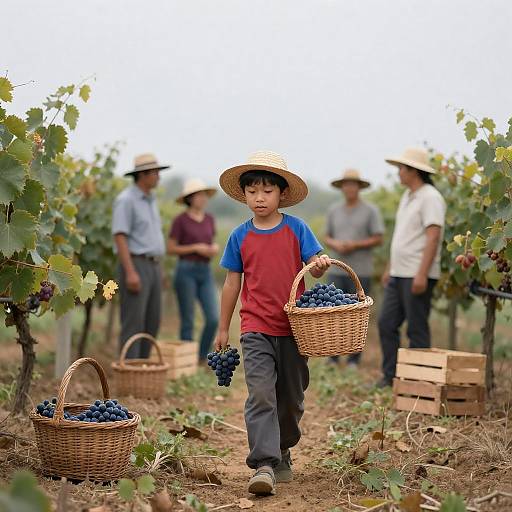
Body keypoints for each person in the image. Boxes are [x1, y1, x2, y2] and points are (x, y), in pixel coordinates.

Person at [215, 150, 331, 496]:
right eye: (252, 191)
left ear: (281, 194)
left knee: (291, 399)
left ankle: (282, 447)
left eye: (267, 191)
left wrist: (321, 263)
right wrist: (223, 327)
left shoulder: (297, 229)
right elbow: (232, 282)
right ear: (245, 195)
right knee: (261, 394)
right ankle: (264, 463)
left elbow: (316, 263)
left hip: (296, 329)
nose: (259, 198)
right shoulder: (239, 236)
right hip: (255, 329)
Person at [377, 147, 446, 387]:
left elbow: (433, 236)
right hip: (399, 273)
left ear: (414, 171)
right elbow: (401, 237)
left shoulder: (431, 197)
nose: (398, 173)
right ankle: (390, 377)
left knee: (416, 329)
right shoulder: (408, 197)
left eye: (401, 169)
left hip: (416, 274)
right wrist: (389, 267)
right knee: (386, 323)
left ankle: (419, 382)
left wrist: (422, 274)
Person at [112, 153, 170, 359]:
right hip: (136, 265)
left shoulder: (150, 200)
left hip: (153, 266)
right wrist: (130, 272)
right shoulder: (126, 200)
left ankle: (142, 367)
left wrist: (159, 270)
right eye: (156, 173)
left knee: (152, 321)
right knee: (133, 322)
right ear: (143, 175)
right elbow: (120, 236)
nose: (159, 177)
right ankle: (129, 369)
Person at [325, 169, 384, 367]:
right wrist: (335, 244)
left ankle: (353, 359)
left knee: (357, 317)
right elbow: (327, 236)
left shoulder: (370, 211)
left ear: (359, 187)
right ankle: (333, 357)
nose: (349, 188)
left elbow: (379, 238)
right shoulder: (334, 210)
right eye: (346, 184)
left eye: (353, 184)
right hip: (336, 270)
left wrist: (355, 245)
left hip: (361, 271)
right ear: (342, 188)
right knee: (332, 313)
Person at [167, 178, 219, 361]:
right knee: (188, 319)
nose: (203, 198)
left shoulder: (210, 220)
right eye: (199, 195)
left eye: (204, 195)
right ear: (190, 198)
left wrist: (213, 249)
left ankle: (201, 357)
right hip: (185, 270)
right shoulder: (180, 221)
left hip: (205, 271)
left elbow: (211, 242)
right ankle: (185, 361)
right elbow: (171, 249)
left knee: (213, 318)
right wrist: (195, 248)